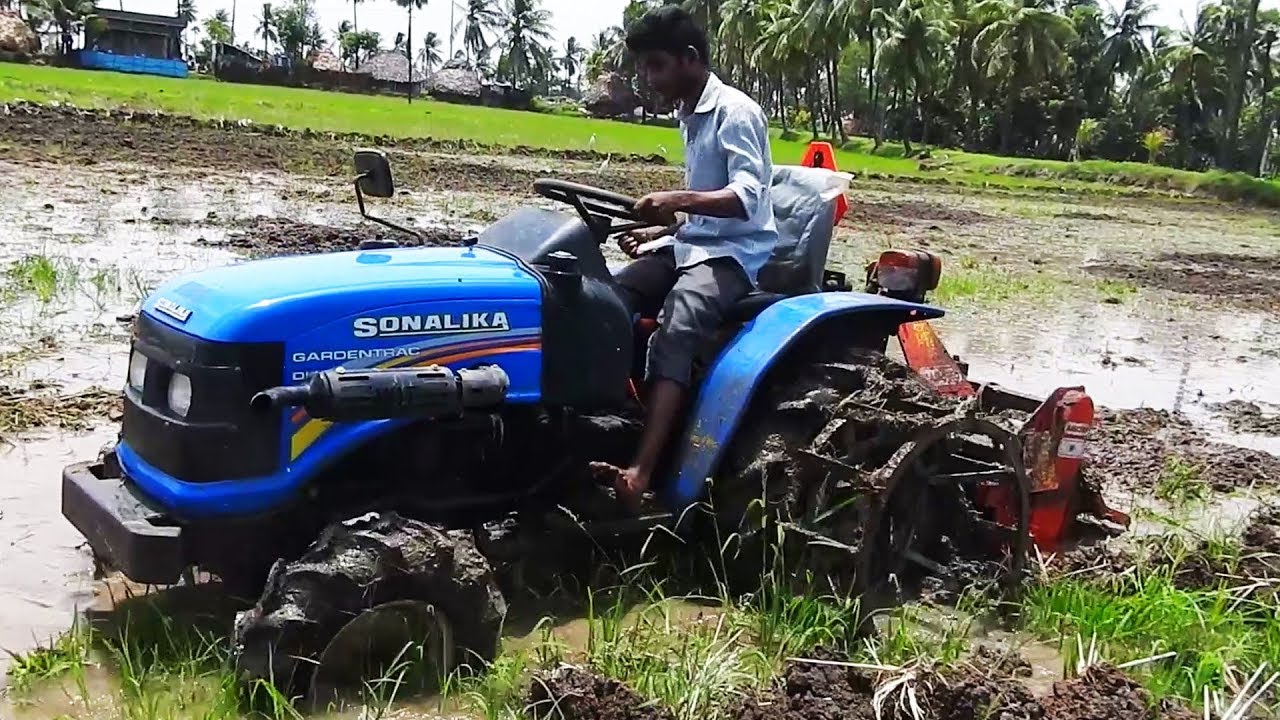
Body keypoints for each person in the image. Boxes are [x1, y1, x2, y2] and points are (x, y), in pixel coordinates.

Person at [589, 5, 778, 511]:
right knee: (605, 300)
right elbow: (698, 209)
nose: (649, 79)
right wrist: (657, 229)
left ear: (689, 59)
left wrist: (676, 200)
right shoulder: (689, 115)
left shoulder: (736, 112)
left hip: (733, 253)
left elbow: (747, 198)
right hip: (692, 243)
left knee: (677, 327)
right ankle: (605, 421)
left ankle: (642, 472)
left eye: (656, 66)